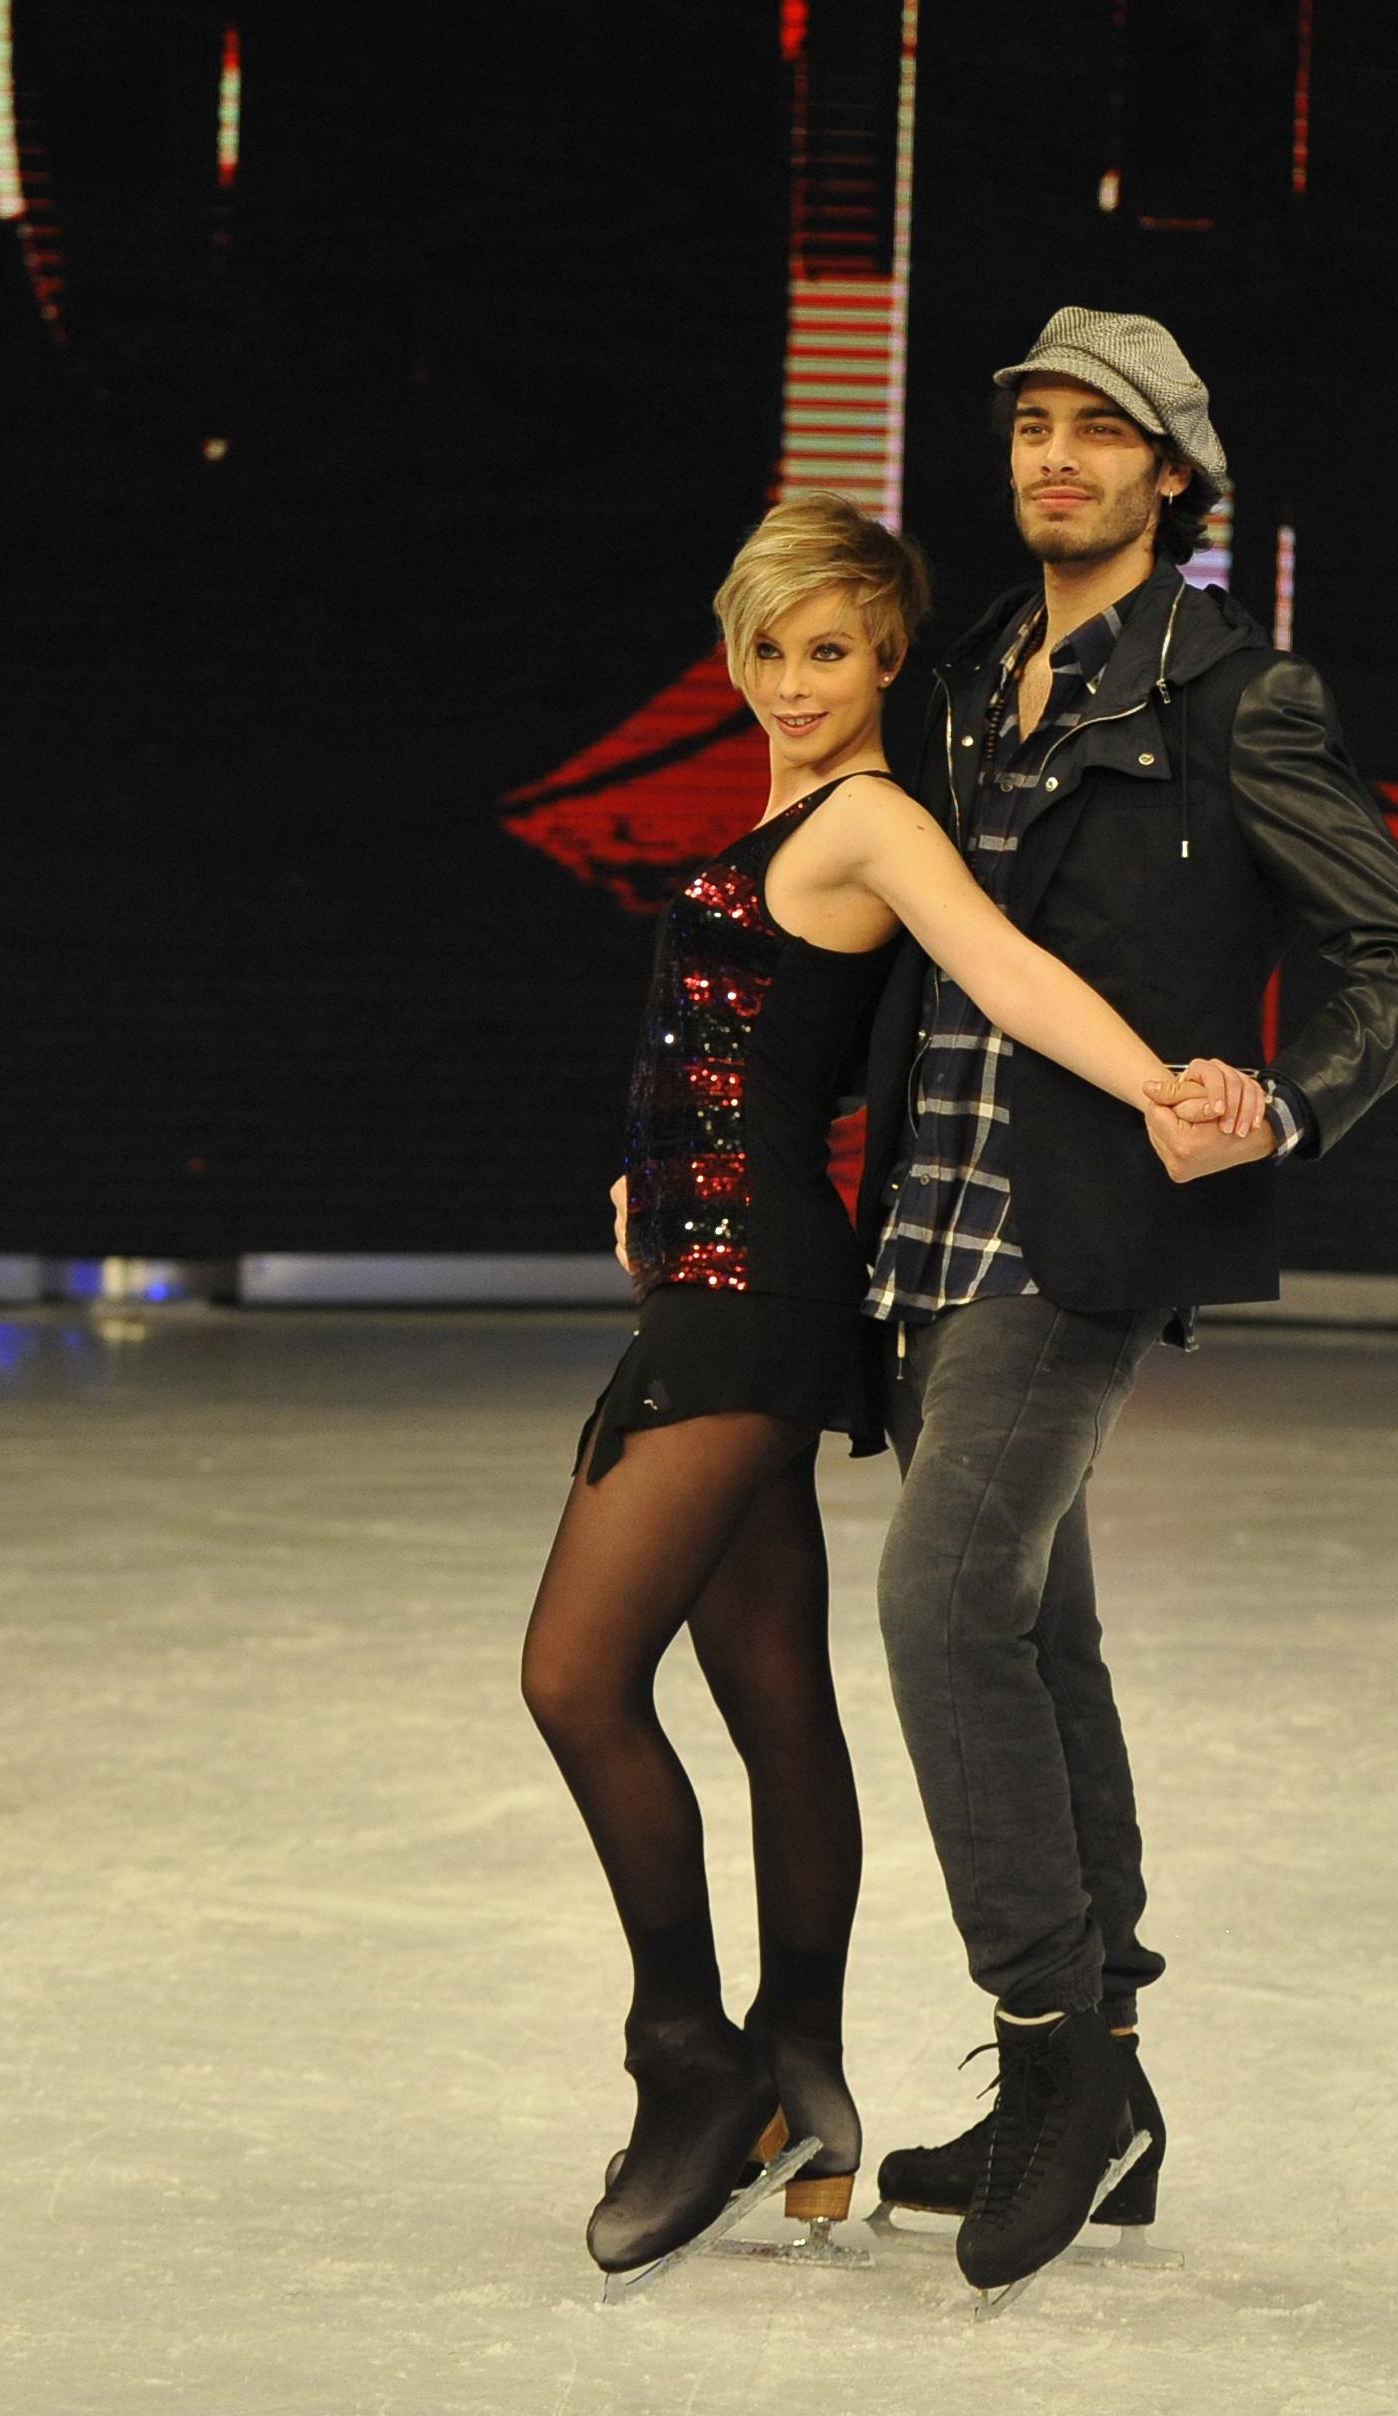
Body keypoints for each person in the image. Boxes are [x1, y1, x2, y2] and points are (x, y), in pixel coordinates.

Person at [516, 491, 1262, 2296]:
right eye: (768, 649)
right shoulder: (791, 810)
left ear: (884, 660)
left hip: (754, 1301)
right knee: (770, 1693)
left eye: (831, 649)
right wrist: (645, 1171)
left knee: (573, 1677)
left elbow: (1007, 975)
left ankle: (691, 2059)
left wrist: (1167, 1085)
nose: (793, 681)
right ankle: (800, 2074)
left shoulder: (867, 819)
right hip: (717, 1270)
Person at [859, 310, 1398, 2296]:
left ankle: (1052, 2052)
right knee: (1031, 1629)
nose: (1054, 458)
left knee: (943, 1605)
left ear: (1169, 476)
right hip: (930, 1228)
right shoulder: (958, 685)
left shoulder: (1237, 694)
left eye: (1095, 433)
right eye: (1029, 425)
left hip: (1079, 1230)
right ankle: (1107, 2086)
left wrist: (1283, 1104)